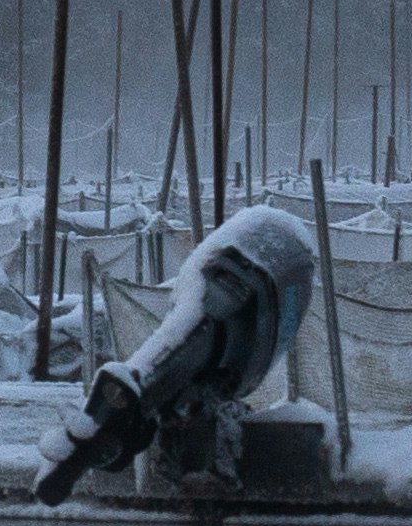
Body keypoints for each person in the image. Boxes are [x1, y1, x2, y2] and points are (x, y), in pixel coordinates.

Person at [34, 196, 323, 504]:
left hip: (226, 307)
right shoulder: (218, 318)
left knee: (171, 367)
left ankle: (87, 450)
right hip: (219, 319)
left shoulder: (219, 313)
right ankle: (91, 449)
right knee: (167, 372)